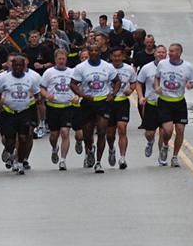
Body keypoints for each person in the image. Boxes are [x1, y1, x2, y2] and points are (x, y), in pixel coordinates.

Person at [70, 44, 120, 173]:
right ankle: (90, 149)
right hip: (88, 103)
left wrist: (113, 94)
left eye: (96, 50)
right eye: (91, 50)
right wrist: (82, 95)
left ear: (100, 52)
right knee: (87, 133)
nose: (93, 52)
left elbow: (117, 81)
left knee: (102, 131)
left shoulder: (107, 67)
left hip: (103, 102)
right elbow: (73, 84)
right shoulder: (80, 68)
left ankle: (98, 162)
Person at [0, 55, 41, 174]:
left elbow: (37, 94)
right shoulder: (3, 78)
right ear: (11, 65)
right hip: (8, 112)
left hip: (24, 112)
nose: (18, 68)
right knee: (9, 139)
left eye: (21, 65)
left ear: (25, 66)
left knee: (23, 138)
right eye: (15, 65)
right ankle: (9, 151)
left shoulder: (31, 79)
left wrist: (36, 101)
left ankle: (19, 162)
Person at [154, 43, 193, 168]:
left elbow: (192, 81)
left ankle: (175, 156)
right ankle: (165, 145)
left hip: (179, 102)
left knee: (180, 129)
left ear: (179, 53)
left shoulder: (188, 66)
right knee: (167, 130)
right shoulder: (162, 64)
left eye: (172, 51)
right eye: (169, 51)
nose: (169, 53)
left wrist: (190, 85)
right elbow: (157, 77)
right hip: (164, 101)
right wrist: (157, 87)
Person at [41, 49, 75, 170]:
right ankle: (55, 148)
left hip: (67, 106)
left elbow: (78, 87)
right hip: (53, 107)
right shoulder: (48, 72)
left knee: (65, 132)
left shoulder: (72, 72)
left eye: (63, 59)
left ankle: (63, 160)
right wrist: (46, 95)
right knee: (54, 135)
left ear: (66, 59)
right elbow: (42, 88)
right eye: (59, 59)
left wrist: (77, 96)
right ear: (55, 59)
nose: (61, 61)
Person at [106, 47, 138, 169]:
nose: (117, 58)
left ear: (123, 56)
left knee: (122, 128)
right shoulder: (107, 68)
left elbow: (134, 83)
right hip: (109, 102)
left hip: (122, 102)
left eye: (119, 56)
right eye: (115, 56)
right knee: (109, 134)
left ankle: (122, 158)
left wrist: (131, 89)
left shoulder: (129, 69)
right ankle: (111, 149)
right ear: (111, 57)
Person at [136, 44, 167, 162]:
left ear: (166, 54)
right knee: (149, 133)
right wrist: (140, 97)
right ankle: (150, 142)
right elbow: (139, 83)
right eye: (158, 52)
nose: (161, 54)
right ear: (154, 54)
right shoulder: (147, 68)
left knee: (164, 131)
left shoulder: (170, 67)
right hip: (151, 103)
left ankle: (162, 155)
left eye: (163, 52)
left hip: (165, 103)